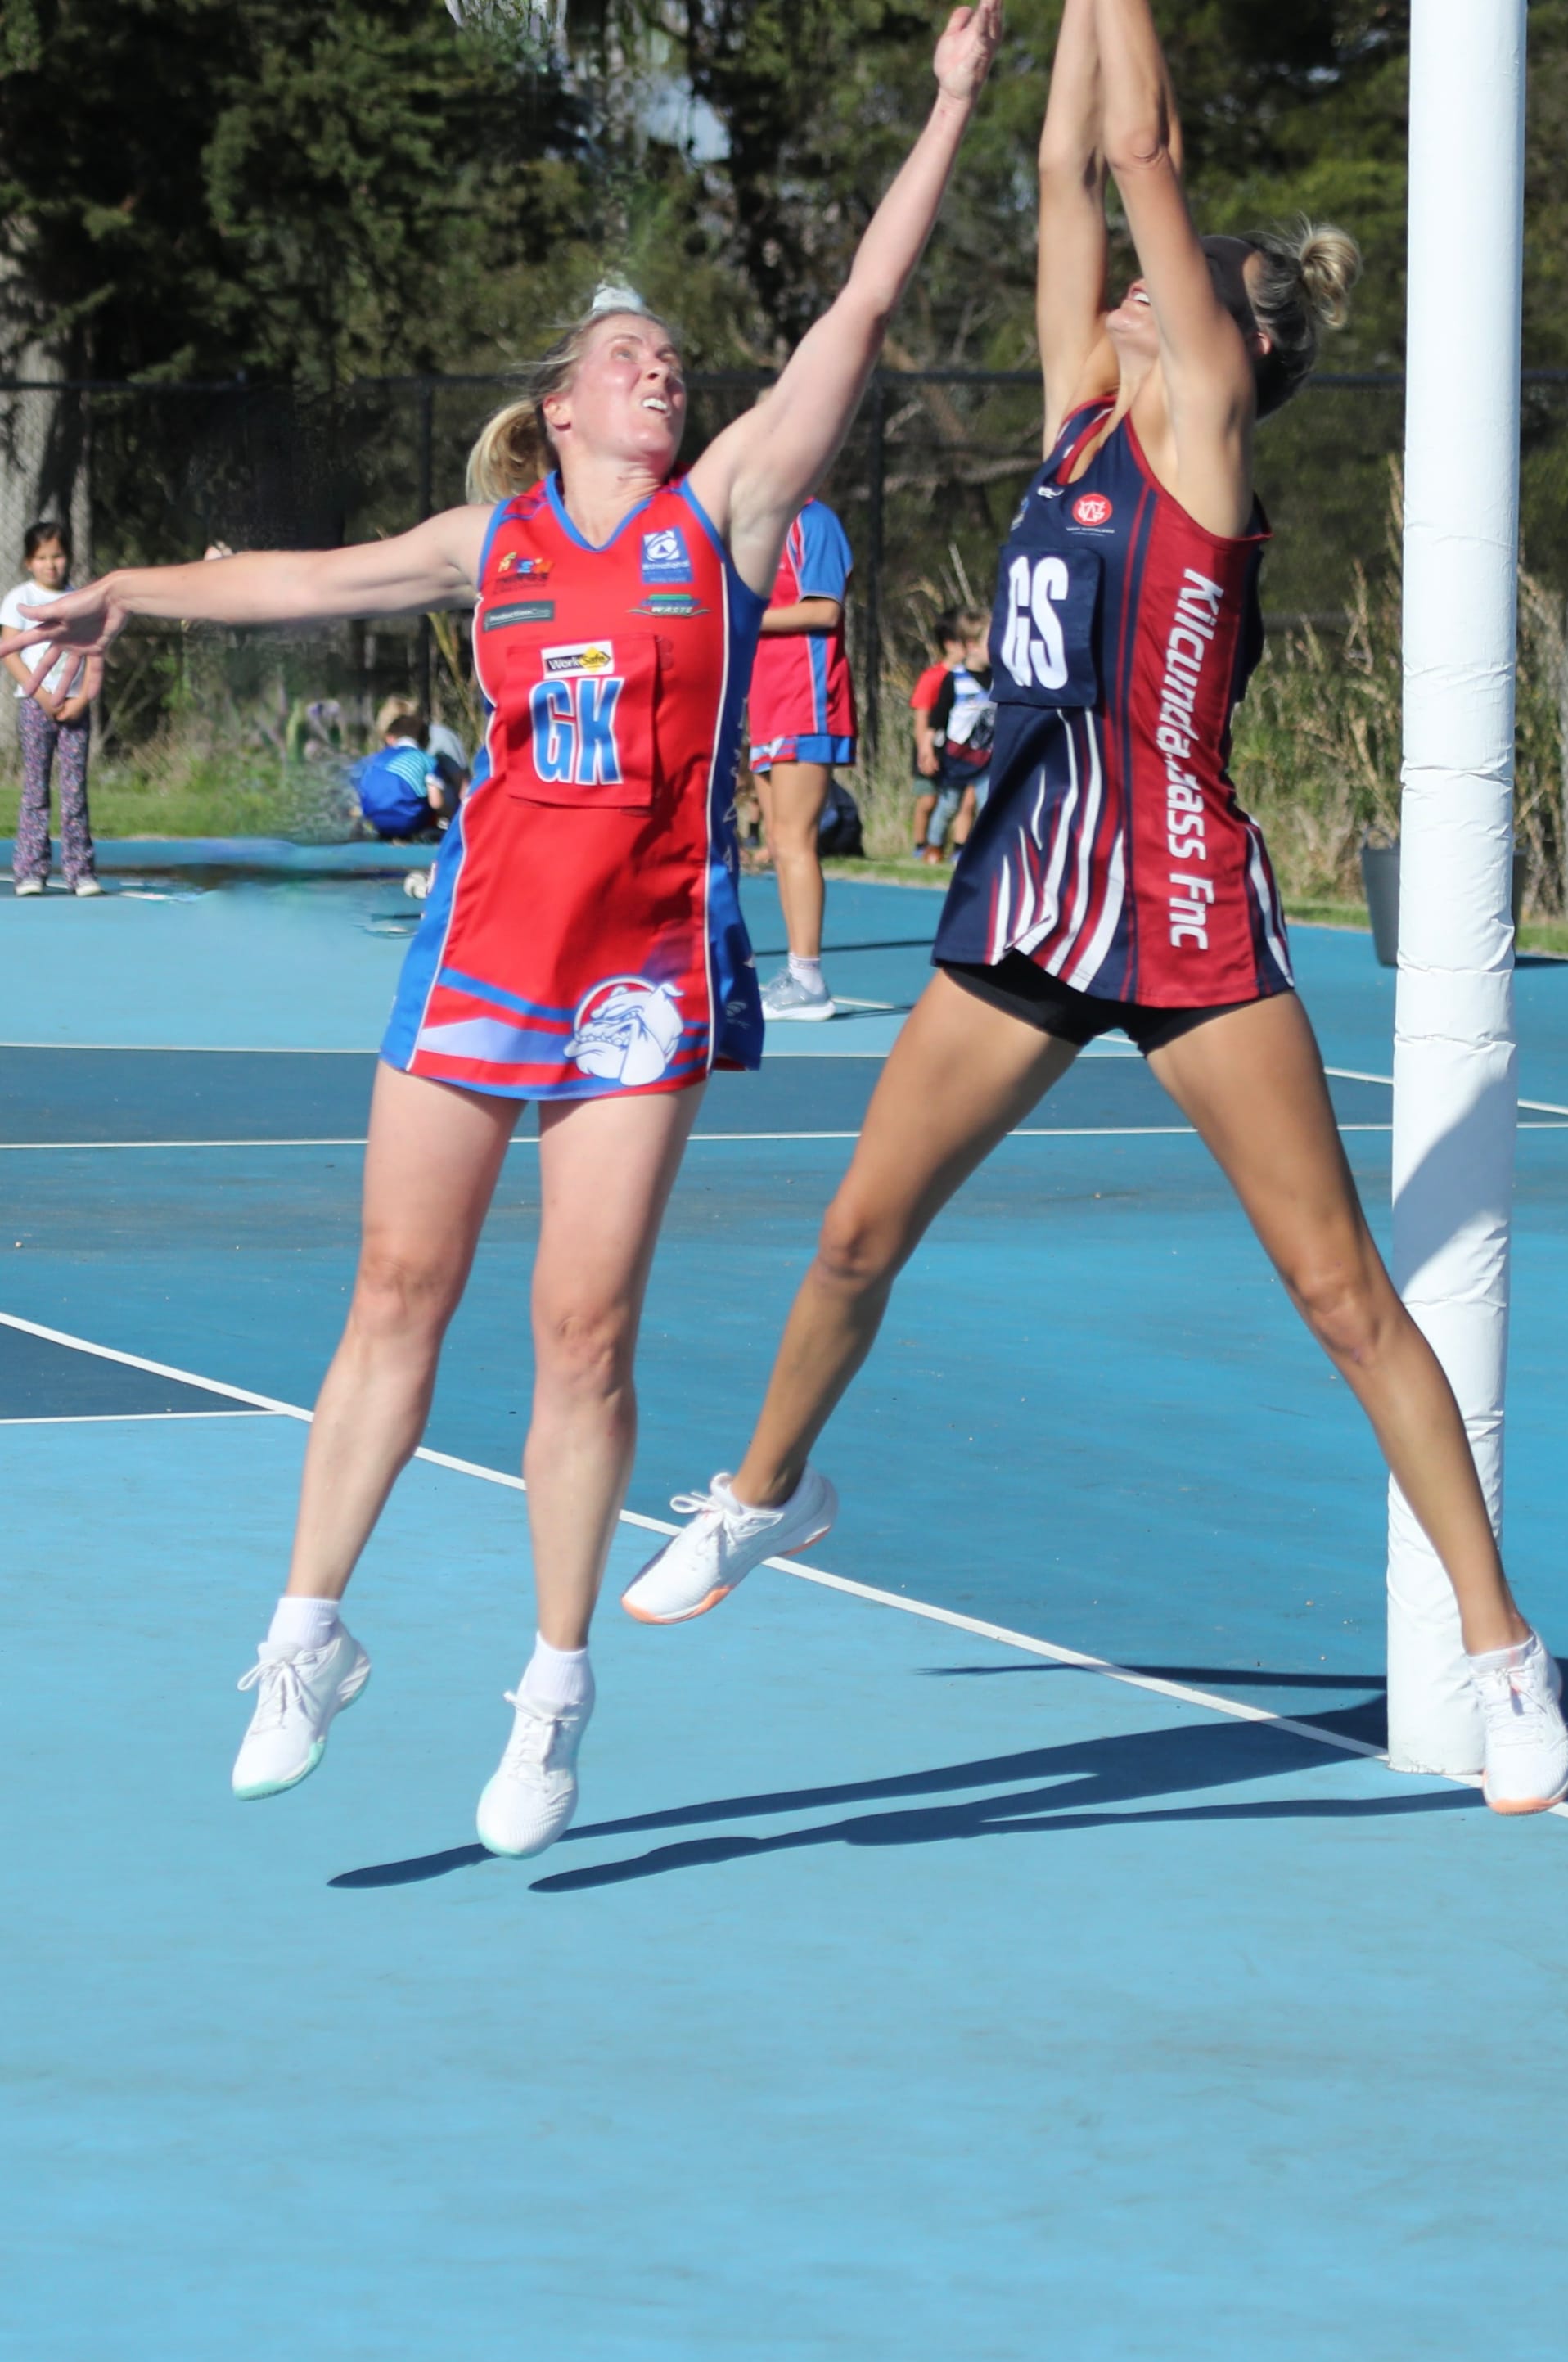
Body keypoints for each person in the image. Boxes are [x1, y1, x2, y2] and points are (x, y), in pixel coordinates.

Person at [11, 0, 1003, 1861]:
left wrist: (947, 102)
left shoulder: (724, 516)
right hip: (481, 950)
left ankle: (552, 1691)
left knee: (582, 1332)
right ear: (558, 407)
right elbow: (302, 581)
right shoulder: (497, 546)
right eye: (629, 356)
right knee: (396, 1293)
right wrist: (123, 592)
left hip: (643, 971)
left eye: (672, 359)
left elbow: (860, 309)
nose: (660, 370)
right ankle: (307, 1636)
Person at [620, 0, 1568, 1819]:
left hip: (1185, 896)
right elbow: (1068, 167)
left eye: (1183, 283)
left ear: (1243, 341)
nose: (1140, 286)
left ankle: (1503, 1651)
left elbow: (1139, 154)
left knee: (1339, 1291)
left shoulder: (1202, 433)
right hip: (1030, 892)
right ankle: (763, 1495)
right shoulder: (1076, 421)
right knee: (855, 1236)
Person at [747, 498, 858, 1021]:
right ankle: (798, 975)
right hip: (768, 702)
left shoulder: (814, 520)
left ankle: (810, 978)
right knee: (777, 842)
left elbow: (823, 610)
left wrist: (741, 616)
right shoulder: (757, 523)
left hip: (806, 698)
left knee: (795, 841)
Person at [2, 520, 98, 897]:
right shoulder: (19, 598)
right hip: (35, 707)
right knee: (36, 789)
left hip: (74, 709)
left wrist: (81, 699)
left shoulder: (82, 600)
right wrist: (41, 695)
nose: (50, 564)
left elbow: (94, 652)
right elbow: (10, 652)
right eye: (42, 558)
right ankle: (30, 871)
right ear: (29, 561)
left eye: (57, 556)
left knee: (74, 791)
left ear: (68, 557)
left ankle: (81, 872)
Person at [925, 609, 993, 860]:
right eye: (991, 641)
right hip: (957, 757)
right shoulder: (955, 679)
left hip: (986, 758)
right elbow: (937, 718)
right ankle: (933, 846)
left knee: (988, 805)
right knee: (949, 805)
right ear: (972, 645)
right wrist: (927, 749)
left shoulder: (1001, 680)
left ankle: (981, 852)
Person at [908, 608, 967, 859]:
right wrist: (925, 751)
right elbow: (921, 718)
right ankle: (920, 845)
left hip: (957, 751)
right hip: (930, 747)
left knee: (961, 800)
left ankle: (956, 848)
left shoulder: (969, 678)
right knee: (928, 800)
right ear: (950, 644)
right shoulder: (933, 678)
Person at [351, 697, 449, 841]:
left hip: (376, 824)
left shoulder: (372, 761)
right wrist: (454, 817)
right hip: (412, 825)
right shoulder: (426, 760)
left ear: (389, 736)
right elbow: (437, 803)